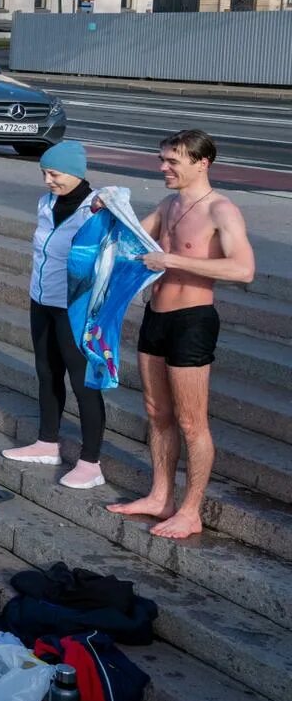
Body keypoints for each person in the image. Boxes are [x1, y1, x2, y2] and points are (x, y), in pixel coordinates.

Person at [108, 129, 256, 540]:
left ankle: (191, 511)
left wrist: (172, 259)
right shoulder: (169, 203)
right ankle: (160, 496)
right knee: (157, 414)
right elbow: (131, 235)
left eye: (172, 161)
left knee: (192, 422)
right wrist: (105, 207)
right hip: (156, 316)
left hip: (193, 320)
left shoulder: (222, 210)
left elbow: (243, 269)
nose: (163, 168)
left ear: (201, 163)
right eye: (162, 160)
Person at [0, 140, 108, 490]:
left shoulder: (96, 208)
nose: (48, 180)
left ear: (76, 172)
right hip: (42, 299)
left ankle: (91, 462)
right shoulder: (46, 202)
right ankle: (47, 443)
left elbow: (124, 224)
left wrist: (110, 202)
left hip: (76, 307)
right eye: (44, 173)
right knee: (47, 373)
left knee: (83, 382)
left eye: (55, 174)